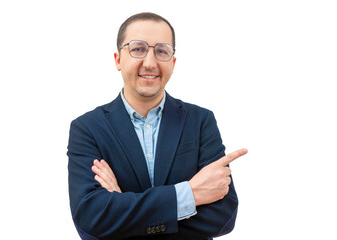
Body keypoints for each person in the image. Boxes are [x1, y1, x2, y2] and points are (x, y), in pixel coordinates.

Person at [67, 12, 247, 240]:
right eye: (138, 49)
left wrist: (123, 209)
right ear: (118, 60)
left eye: (161, 51)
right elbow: (91, 216)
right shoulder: (87, 128)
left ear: (173, 63)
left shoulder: (201, 121)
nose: (150, 63)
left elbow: (224, 216)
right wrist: (190, 195)